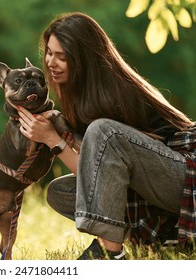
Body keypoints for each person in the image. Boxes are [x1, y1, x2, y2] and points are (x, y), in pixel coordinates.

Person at [17, 12, 196, 260]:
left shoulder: (114, 92)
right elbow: (101, 176)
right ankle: (120, 244)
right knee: (60, 192)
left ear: (83, 60)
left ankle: (109, 253)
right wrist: (66, 139)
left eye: (62, 57)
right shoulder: (80, 97)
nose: (50, 62)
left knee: (104, 131)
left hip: (186, 179)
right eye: (49, 52)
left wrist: (53, 141)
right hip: (154, 188)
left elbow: (120, 158)